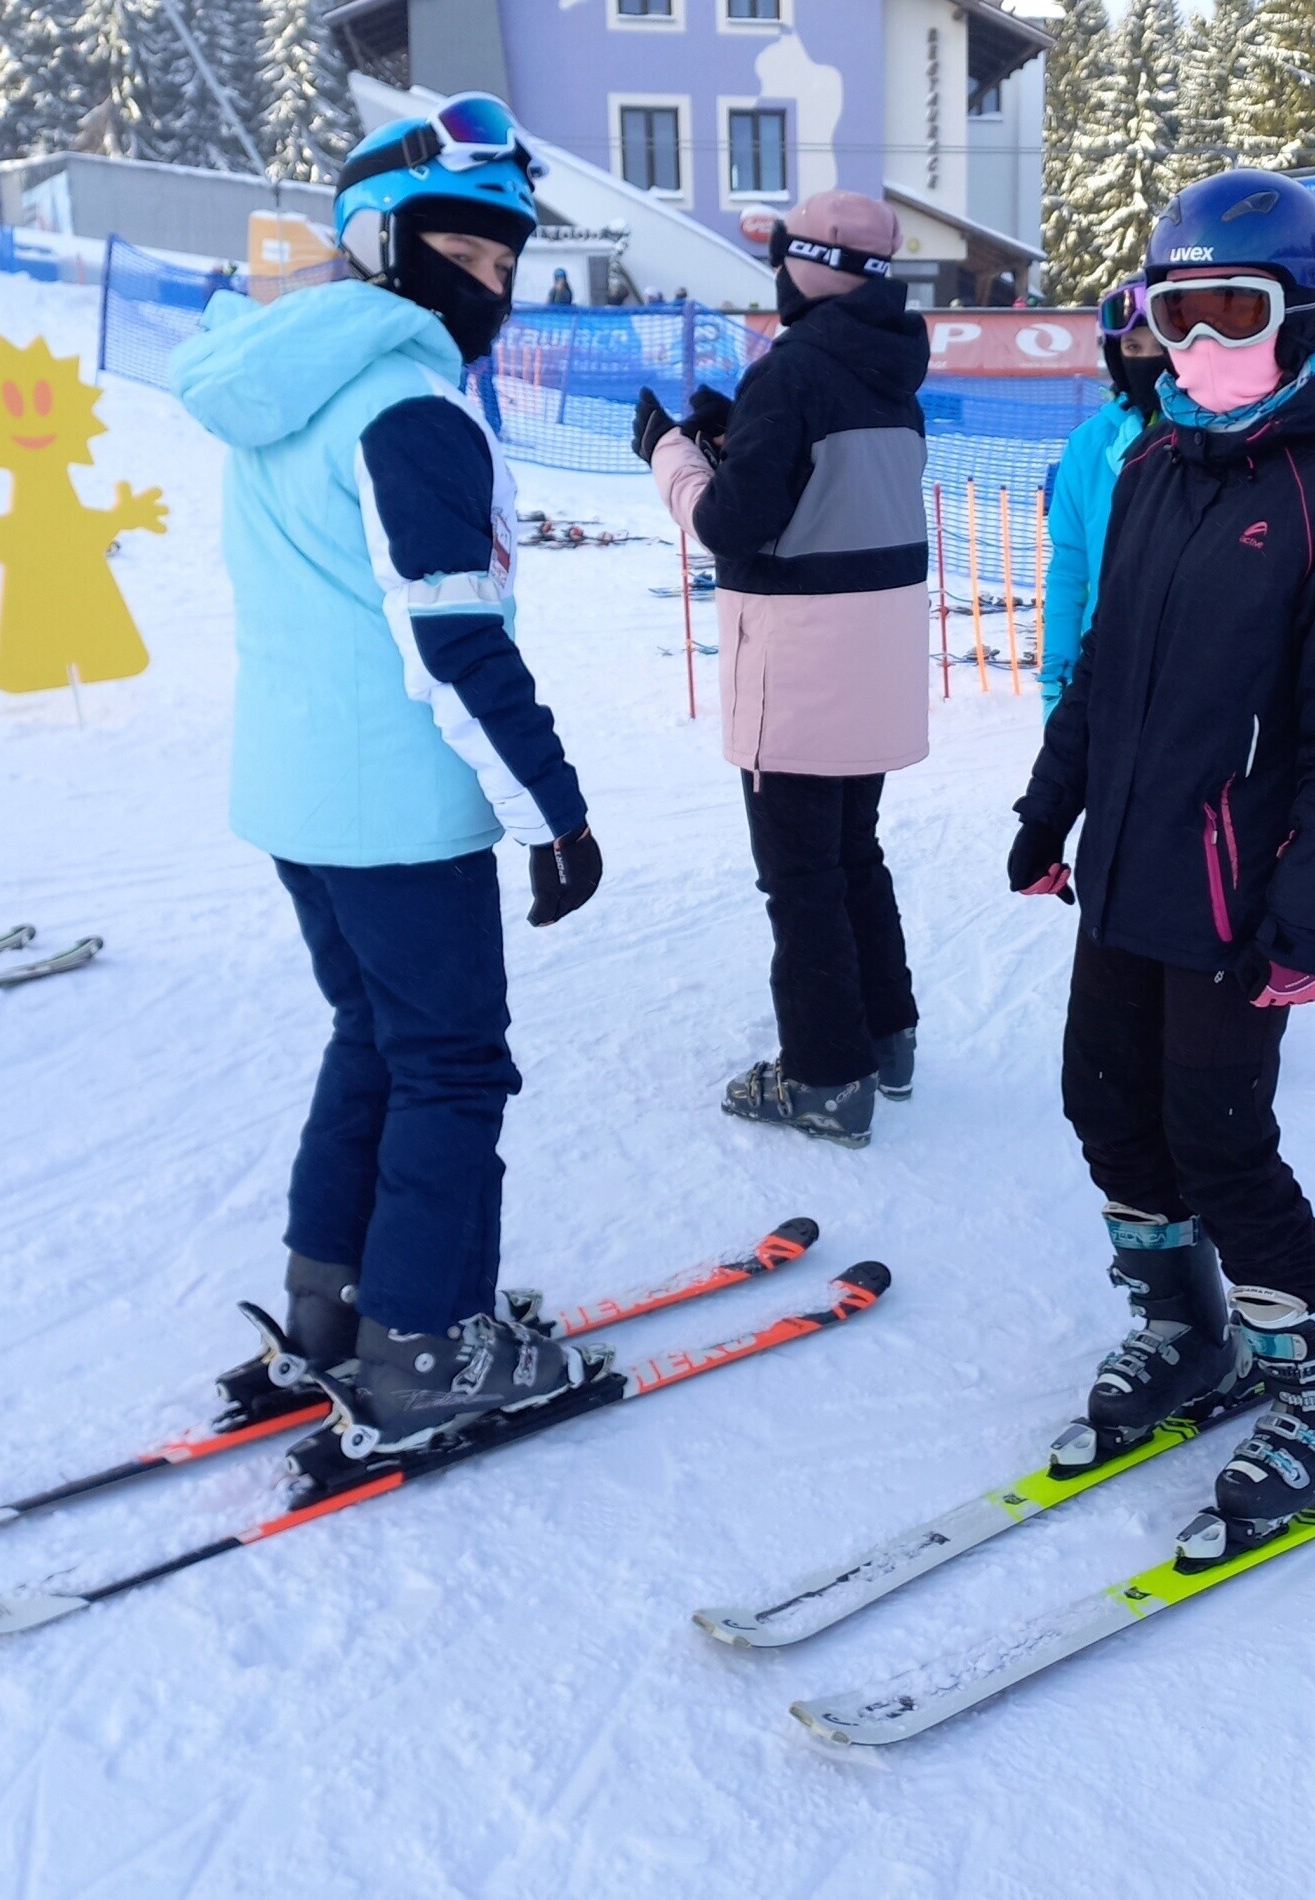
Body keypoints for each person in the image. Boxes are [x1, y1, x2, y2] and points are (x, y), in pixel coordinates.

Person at [170, 95, 605, 1454]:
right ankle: (426, 1344)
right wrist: (554, 809)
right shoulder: (408, 406)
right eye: (457, 252)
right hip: (399, 810)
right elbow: (453, 638)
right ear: (376, 241)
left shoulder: (285, 374)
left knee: (374, 1037)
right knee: (453, 1067)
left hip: (302, 795)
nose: (488, 284)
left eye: (503, 260)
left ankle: (338, 1306)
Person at [1008, 170, 1315, 1541]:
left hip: (1240, 892)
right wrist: (1046, 811)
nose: (1196, 342)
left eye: (1231, 310)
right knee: (1103, 1103)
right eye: (1172, 313)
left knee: (1221, 1141)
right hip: (1128, 871)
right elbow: (1099, 670)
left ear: (1304, 313)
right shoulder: (1150, 469)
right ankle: (1188, 1329)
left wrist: (1312, 915)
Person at [633, 190, 929, 1149]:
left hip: (798, 669)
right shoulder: (892, 371)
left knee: (801, 878)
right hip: (874, 664)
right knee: (853, 855)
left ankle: (825, 1079)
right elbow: (822, 490)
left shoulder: (790, 372)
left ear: (801, 269)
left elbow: (730, 526)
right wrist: (740, 436)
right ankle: (885, 1040)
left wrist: (671, 456)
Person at [1037, 274, 1167, 717]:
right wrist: (1057, 676)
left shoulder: (1211, 439)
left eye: (1159, 347)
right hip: (1104, 665)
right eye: (1133, 348)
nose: (1147, 362)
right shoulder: (1090, 445)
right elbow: (1069, 568)